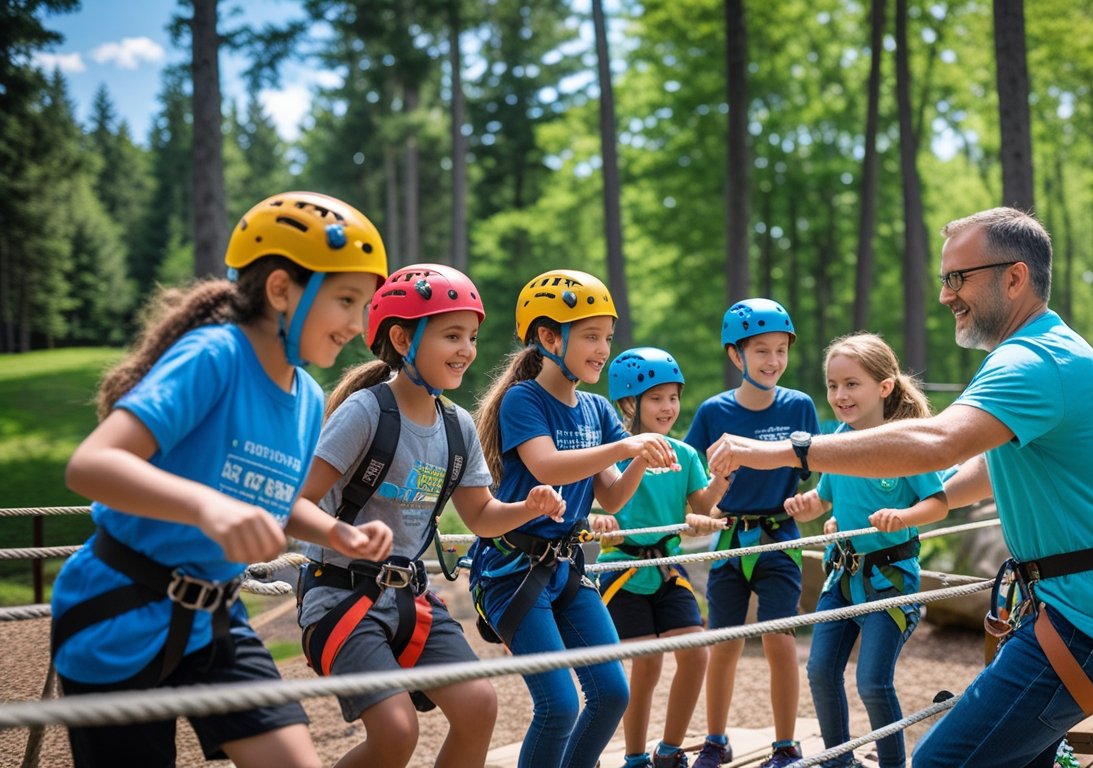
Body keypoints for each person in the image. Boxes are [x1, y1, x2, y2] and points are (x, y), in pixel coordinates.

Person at [707, 208, 1093, 768]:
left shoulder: (1031, 361)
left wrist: (788, 449)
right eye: (944, 280)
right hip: (1086, 618)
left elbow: (940, 441)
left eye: (958, 278)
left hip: (1089, 627)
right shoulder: (1046, 349)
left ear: (1014, 278)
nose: (946, 295)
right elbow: (988, 463)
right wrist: (939, 499)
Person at [51, 191, 393, 768]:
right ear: (282, 289)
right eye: (346, 301)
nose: (358, 327)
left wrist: (337, 535)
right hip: (119, 612)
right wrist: (209, 509)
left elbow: (273, 503)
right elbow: (92, 465)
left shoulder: (309, 398)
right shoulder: (214, 356)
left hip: (216, 623)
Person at [295, 263, 566, 768]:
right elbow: (298, 501)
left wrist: (526, 508)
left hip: (409, 597)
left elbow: (481, 517)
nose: (467, 349)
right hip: (338, 593)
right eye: (452, 335)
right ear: (402, 338)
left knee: (479, 705)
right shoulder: (366, 412)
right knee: (397, 732)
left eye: (472, 336)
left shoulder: (457, 426)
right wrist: (342, 536)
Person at [469, 269, 679, 768]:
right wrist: (626, 443)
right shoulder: (524, 400)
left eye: (607, 337)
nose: (603, 348)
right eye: (590, 336)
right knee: (558, 705)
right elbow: (547, 465)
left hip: (566, 570)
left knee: (611, 693)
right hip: (512, 572)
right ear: (548, 337)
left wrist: (640, 462)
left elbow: (611, 499)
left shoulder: (597, 408)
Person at [783, 333, 947, 768]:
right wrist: (808, 506)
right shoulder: (835, 441)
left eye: (852, 384)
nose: (840, 395)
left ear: (884, 387)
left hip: (889, 583)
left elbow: (939, 503)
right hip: (842, 579)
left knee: (873, 682)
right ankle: (840, 762)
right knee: (820, 672)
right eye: (833, 385)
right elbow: (824, 497)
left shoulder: (908, 440)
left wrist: (904, 517)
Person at [683, 298, 821, 768]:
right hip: (729, 537)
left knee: (781, 639)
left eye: (781, 350)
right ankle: (715, 740)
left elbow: (819, 470)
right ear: (735, 356)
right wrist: (697, 507)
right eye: (761, 350)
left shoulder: (800, 406)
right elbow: (690, 483)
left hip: (781, 537)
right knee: (723, 640)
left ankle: (786, 745)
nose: (773, 361)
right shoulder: (712, 412)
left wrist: (816, 502)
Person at [598, 347, 730, 768]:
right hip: (624, 570)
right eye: (657, 398)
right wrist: (601, 522)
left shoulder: (685, 454)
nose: (669, 407)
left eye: (674, 397)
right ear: (629, 403)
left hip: (668, 570)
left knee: (695, 652)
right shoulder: (611, 451)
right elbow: (607, 500)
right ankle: (635, 756)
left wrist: (724, 478)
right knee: (646, 662)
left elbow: (701, 507)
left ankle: (669, 751)